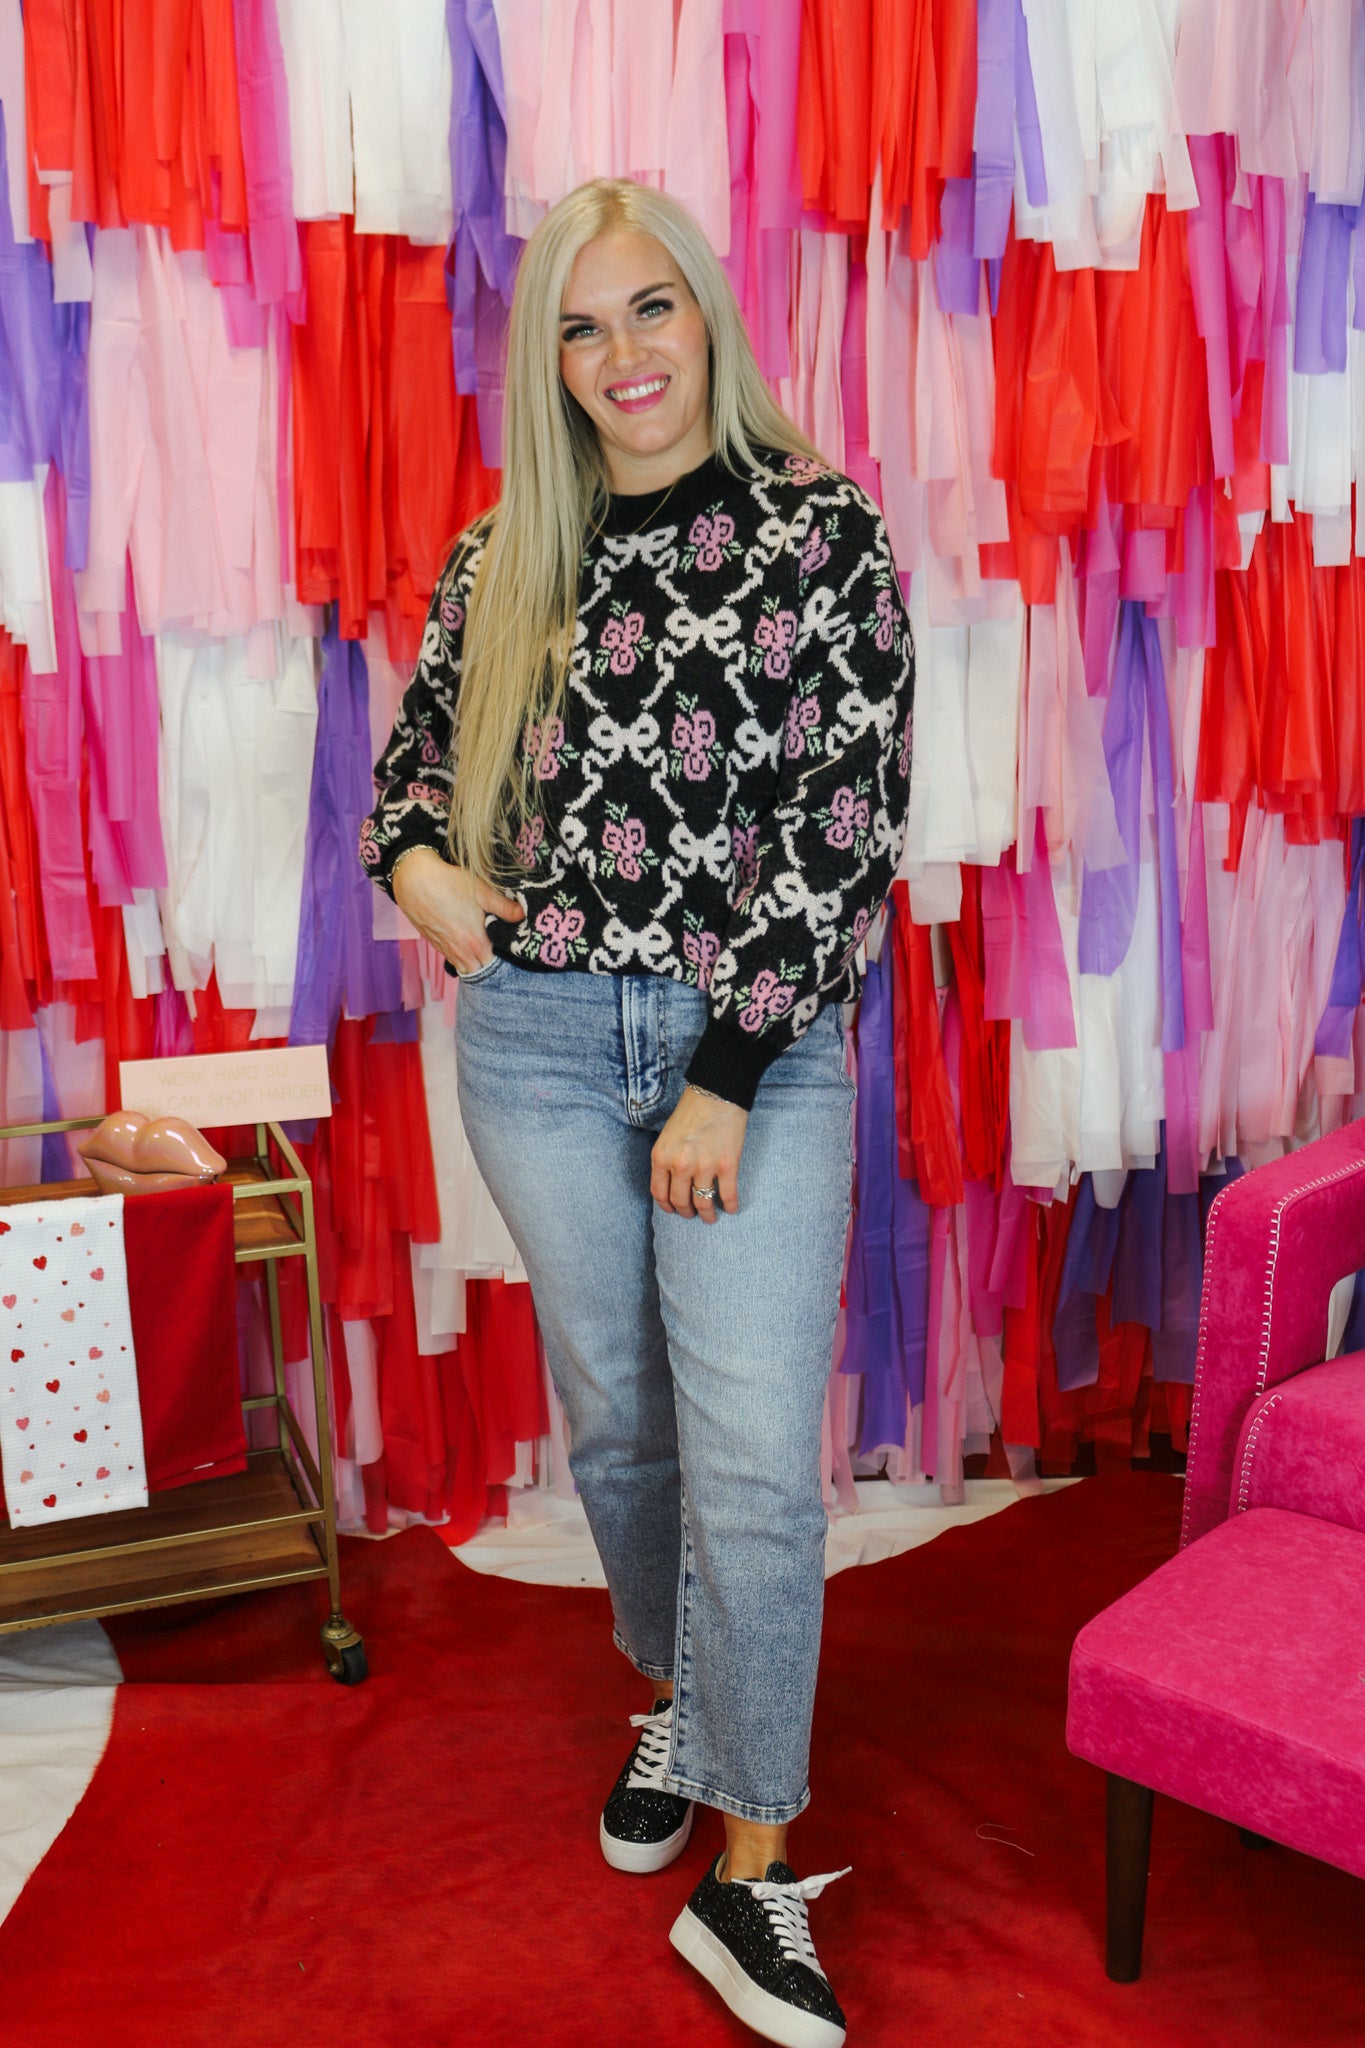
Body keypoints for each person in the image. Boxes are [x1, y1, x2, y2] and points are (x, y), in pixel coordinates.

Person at [360, 177, 914, 2048]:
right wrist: (429, 880)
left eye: (650, 309)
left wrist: (724, 1076)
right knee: (620, 1426)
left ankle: (752, 1877)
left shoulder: (820, 532)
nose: (622, 357)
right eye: (582, 328)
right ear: (551, 360)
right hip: (530, 1039)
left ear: (707, 316)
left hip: (746, 1043)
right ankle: (681, 1699)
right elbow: (407, 783)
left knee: (749, 1456)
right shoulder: (506, 551)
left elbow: (843, 831)